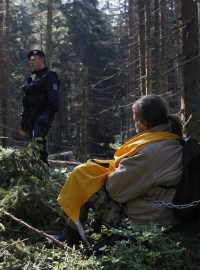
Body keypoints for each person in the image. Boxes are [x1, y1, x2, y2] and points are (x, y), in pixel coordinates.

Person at [57, 94, 183, 244]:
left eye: (135, 120)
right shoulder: (172, 139)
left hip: (147, 221)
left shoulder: (150, 152)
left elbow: (115, 190)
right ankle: (79, 231)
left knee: (83, 177)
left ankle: (71, 236)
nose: (134, 125)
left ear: (144, 124)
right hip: (164, 213)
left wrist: (103, 174)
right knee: (88, 175)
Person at [19, 50, 60, 164]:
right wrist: (23, 117)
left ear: (41, 60)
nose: (31, 62)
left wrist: (47, 115)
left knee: (38, 141)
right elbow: (26, 100)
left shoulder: (50, 76)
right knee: (31, 144)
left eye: (34, 60)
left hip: (43, 115)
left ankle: (43, 172)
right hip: (30, 116)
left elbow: (54, 99)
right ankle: (35, 172)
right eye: (30, 60)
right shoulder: (31, 79)